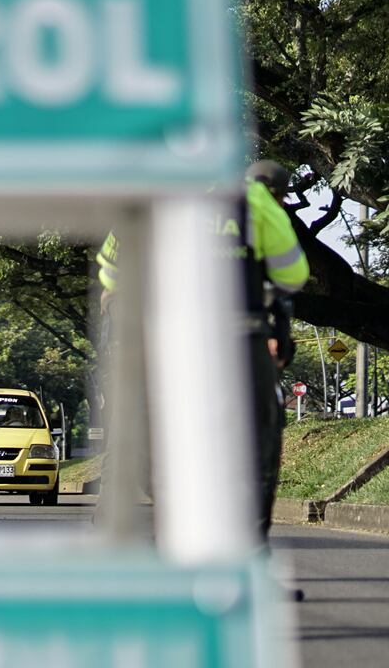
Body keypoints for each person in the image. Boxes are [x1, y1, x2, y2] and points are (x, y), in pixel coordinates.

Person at [96, 159, 308, 545]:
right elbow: (292, 275)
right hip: (238, 341)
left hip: (166, 346)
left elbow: (111, 274)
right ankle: (250, 543)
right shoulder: (251, 201)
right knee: (260, 437)